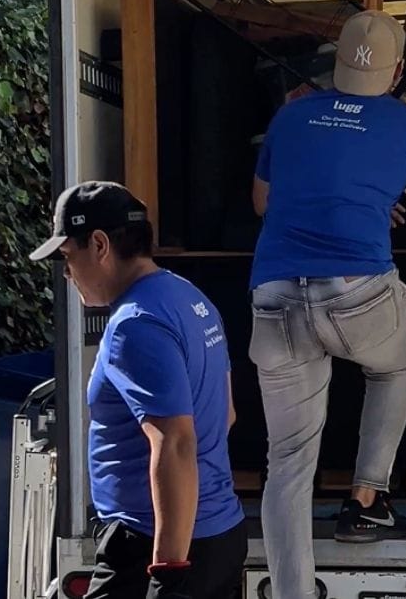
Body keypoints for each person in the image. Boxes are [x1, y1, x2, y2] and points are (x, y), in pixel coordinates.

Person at [250, 10, 406, 599]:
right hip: (357, 295)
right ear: (397, 72)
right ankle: (367, 499)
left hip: (274, 297)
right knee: (395, 361)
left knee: (287, 465)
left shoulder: (289, 117)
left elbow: (264, 203)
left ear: (336, 63)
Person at [30, 181, 246, 599]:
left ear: (98, 245)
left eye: (66, 257)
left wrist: (168, 574)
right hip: (218, 534)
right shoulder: (189, 298)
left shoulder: (134, 324)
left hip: (155, 548)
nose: (67, 273)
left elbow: (176, 443)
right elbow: (226, 415)